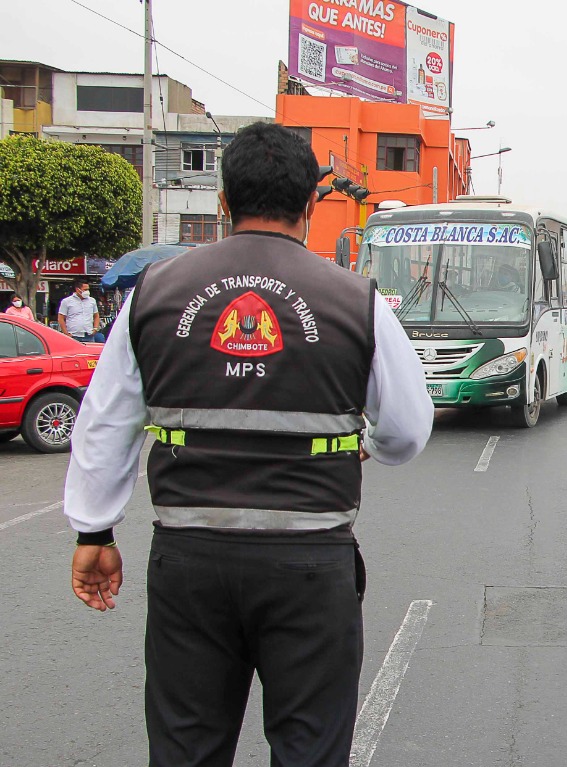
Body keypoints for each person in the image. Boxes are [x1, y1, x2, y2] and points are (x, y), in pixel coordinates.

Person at [62, 121, 434, 766]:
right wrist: (371, 445)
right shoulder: (357, 300)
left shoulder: (154, 293)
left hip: (189, 560)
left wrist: (94, 531)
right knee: (309, 750)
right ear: (311, 202)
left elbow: (104, 422)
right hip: (310, 563)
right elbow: (406, 427)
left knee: (187, 749)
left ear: (224, 201)